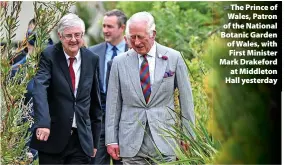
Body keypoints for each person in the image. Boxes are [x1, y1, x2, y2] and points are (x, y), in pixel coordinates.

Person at [105, 11, 195, 164]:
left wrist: (188, 135)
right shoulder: (118, 62)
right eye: (132, 37)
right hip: (130, 142)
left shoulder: (174, 57)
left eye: (141, 37)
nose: (137, 42)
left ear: (153, 34)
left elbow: (186, 100)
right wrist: (111, 139)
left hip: (166, 141)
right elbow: (113, 104)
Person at [30, 13, 102, 164]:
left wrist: (94, 140)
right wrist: (43, 123)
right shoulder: (48, 55)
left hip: (81, 140)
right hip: (52, 137)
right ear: (60, 36)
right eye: (69, 35)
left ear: (83, 35)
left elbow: (95, 102)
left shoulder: (92, 59)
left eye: (78, 35)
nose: (74, 39)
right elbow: (39, 88)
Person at [89, 9, 127, 165]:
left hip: (125, 120)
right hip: (100, 119)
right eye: (104, 26)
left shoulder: (133, 52)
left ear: (122, 28)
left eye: (110, 26)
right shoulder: (92, 53)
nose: (105, 30)